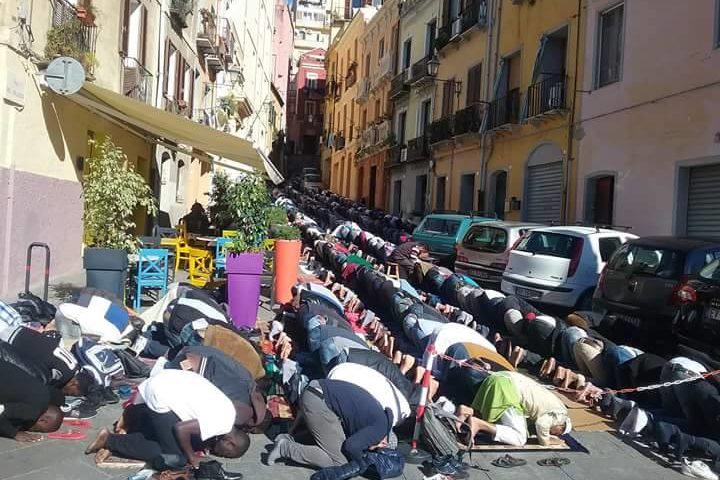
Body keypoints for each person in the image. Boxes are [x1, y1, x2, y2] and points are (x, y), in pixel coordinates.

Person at [85, 369, 250, 470]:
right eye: (227, 454)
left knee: (175, 439)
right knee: (174, 457)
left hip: (163, 381)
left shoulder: (229, 414)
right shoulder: (220, 425)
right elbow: (181, 429)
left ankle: (134, 417)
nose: (221, 455)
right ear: (230, 442)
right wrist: (191, 456)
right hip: (160, 395)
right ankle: (110, 440)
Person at [266, 379, 392, 469]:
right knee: (339, 461)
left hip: (314, 390)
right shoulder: (380, 429)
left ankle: (289, 438)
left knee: (334, 438)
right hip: (319, 401)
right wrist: (362, 463)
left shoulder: (378, 415)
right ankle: (286, 449)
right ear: (384, 442)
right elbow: (351, 447)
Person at [457, 371, 570, 447]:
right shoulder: (561, 415)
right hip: (509, 389)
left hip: (498, 378)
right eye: (557, 433)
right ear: (561, 427)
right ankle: (479, 424)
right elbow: (542, 425)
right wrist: (547, 441)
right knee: (520, 438)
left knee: (495, 415)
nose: (553, 433)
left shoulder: (554, 404)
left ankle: (466, 411)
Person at [0, 325, 93, 399]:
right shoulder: (63, 375)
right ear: (74, 384)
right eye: (73, 394)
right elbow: (34, 375)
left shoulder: (75, 366)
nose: (69, 395)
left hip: (21, 331)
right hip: (13, 341)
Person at [0, 359, 64, 442]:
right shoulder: (33, 411)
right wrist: (13, 433)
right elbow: (1, 410)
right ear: (43, 420)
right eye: (39, 430)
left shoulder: (43, 394)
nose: (31, 431)